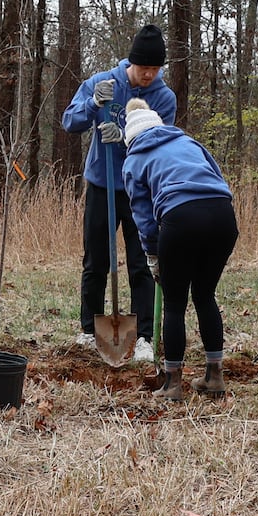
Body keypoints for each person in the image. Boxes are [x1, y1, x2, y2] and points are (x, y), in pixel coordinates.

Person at [61, 23, 176, 363]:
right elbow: (70, 122)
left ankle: (142, 337)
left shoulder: (163, 98)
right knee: (96, 259)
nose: (149, 76)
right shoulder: (102, 83)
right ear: (132, 62)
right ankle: (88, 330)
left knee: (142, 262)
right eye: (144, 69)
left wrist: (125, 134)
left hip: (140, 188)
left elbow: (161, 144)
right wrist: (94, 105)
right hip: (102, 184)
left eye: (156, 70)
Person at [120, 98, 238, 400]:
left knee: (174, 302)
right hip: (223, 216)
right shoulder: (189, 142)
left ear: (129, 137)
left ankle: (172, 383)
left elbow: (143, 218)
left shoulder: (134, 160)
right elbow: (217, 177)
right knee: (204, 294)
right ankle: (214, 376)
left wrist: (153, 254)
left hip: (181, 218)